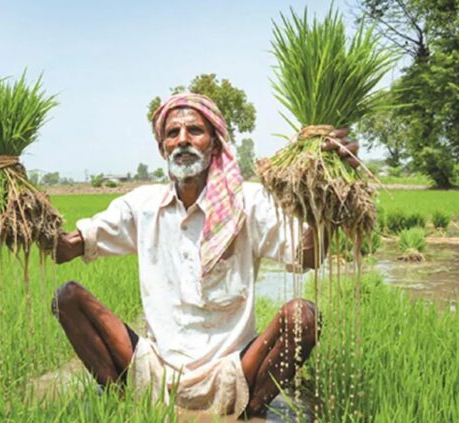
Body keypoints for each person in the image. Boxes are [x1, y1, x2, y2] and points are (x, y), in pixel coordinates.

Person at [52, 93, 359, 417]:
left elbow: (307, 257)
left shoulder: (247, 203)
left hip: (235, 371)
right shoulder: (141, 207)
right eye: (172, 133)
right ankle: (126, 405)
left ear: (215, 144)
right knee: (67, 298)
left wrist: (329, 188)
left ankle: (247, 412)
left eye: (195, 131)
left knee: (304, 316)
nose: (183, 140)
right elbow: (64, 249)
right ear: (162, 148)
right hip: (154, 368)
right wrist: (12, 208)